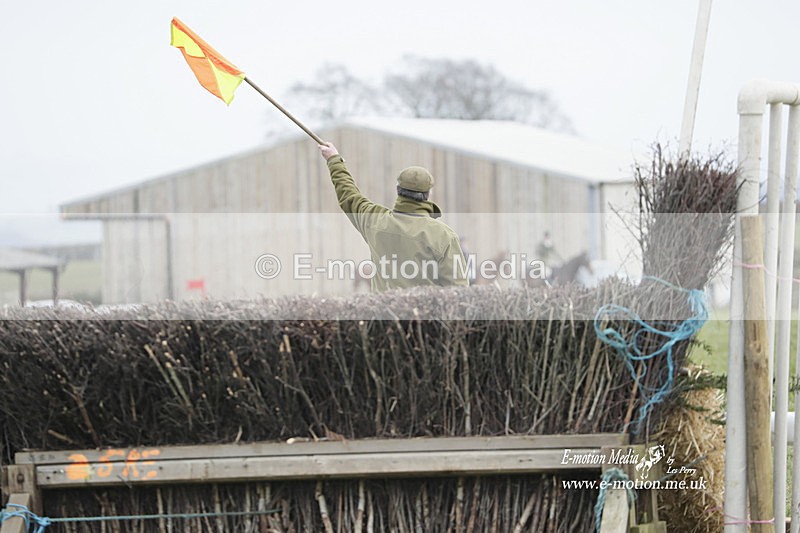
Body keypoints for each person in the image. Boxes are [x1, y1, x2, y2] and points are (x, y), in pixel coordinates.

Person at [319, 141, 468, 292]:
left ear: (398, 190)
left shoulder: (375, 220)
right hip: (425, 315)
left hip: (382, 314)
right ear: (428, 195)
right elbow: (458, 291)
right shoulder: (444, 235)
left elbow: (348, 194)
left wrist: (334, 160)